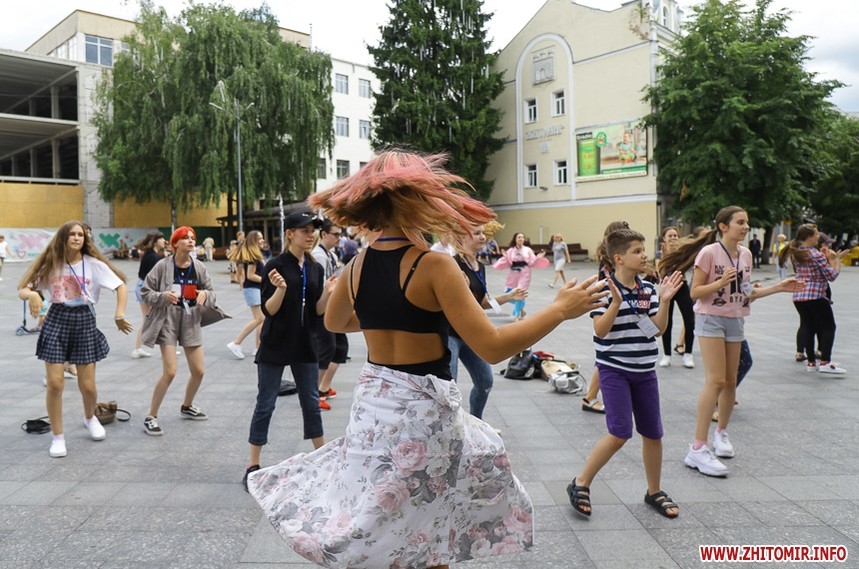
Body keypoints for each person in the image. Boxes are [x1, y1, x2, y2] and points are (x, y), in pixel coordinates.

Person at [245, 150, 608, 569]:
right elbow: (492, 347)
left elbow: (335, 320)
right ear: (415, 201)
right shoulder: (433, 265)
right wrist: (559, 310)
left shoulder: (358, 263)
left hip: (374, 412)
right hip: (422, 418)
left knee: (390, 525)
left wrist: (389, 317)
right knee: (431, 530)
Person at [660, 206, 803, 477]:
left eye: (747, 222)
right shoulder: (709, 252)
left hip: (736, 318)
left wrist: (778, 288)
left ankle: (721, 434)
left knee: (729, 379)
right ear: (723, 226)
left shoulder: (745, 254)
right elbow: (695, 292)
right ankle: (698, 447)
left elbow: (745, 292)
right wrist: (720, 283)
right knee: (715, 381)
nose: (746, 227)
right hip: (710, 319)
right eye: (740, 222)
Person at [566, 227, 683, 519]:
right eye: (637, 251)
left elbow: (657, 330)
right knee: (619, 433)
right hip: (614, 370)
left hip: (645, 371)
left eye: (644, 250)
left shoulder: (648, 289)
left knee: (653, 433)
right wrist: (616, 304)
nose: (644, 256)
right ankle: (581, 482)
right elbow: (600, 330)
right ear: (619, 258)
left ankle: (654, 491)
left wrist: (665, 301)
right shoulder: (603, 289)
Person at [18, 221, 133, 457]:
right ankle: (58, 437)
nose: (77, 238)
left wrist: (119, 314)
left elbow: (120, 286)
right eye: (72, 234)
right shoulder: (52, 263)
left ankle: (90, 418)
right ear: (63, 237)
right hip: (56, 320)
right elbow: (23, 288)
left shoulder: (94, 265)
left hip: (84, 320)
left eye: (80, 234)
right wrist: (33, 295)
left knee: (88, 386)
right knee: (55, 384)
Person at [243, 212, 336, 487]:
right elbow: (269, 311)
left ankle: (322, 458)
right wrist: (281, 289)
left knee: (311, 403)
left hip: (305, 342)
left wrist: (328, 292)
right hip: (276, 342)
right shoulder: (275, 265)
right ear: (289, 234)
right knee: (265, 403)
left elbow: (317, 310)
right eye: (304, 230)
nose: (310, 235)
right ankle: (252, 464)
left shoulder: (315, 267)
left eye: (313, 231)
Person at [140, 226, 218, 436]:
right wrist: (163, 296)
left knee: (199, 371)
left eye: (193, 238)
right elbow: (145, 292)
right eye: (185, 238)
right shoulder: (162, 265)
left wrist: (205, 294)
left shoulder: (199, 266)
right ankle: (151, 416)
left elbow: (211, 293)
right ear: (175, 243)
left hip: (191, 317)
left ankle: (187, 405)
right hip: (168, 318)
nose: (191, 241)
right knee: (170, 372)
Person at [450, 224, 527, 420]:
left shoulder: (480, 267)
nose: (482, 237)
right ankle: (451, 428)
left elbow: (482, 302)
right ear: (462, 237)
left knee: (485, 382)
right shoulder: (452, 265)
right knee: (450, 387)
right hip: (450, 333)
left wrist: (509, 297)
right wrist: (461, 289)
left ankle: (477, 424)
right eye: (477, 233)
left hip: (471, 333)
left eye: (483, 233)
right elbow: (451, 301)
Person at [779, 223, 848, 375]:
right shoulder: (815, 255)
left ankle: (811, 362)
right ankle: (825, 362)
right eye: (816, 234)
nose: (818, 236)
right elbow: (832, 275)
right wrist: (836, 260)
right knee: (829, 327)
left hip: (799, 295)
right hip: (816, 295)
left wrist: (825, 257)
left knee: (808, 327)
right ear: (809, 237)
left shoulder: (796, 253)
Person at [581, 220, 630, 415]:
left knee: (605, 356)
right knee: (605, 356)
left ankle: (590, 396)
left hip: (611, 306)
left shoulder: (608, 257)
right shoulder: (610, 261)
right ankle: (589, 397)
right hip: (608, 307)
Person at [311, 219, 349, 411]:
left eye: (340, 235)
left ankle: (323, 387)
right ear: (324, 234)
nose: (339, 238)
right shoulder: (318, 256)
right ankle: (314, 393)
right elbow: (320, 287)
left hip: (331, 306)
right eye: (335, 234)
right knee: (327, 349)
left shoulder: (330, 254)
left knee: (340, 348)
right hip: (323, 308)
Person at [656, 226, 696, 369]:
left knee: (689, 320)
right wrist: (666, 255)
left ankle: (688, 354)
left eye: (675, 235)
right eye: (670, 236)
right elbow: (660, 272)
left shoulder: (682, 252)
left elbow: (688, 268)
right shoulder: (660, 253)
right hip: (667, 288)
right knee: (666, 322)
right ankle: (666, 355)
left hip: (681, 286)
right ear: (664, 238)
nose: (673, 238)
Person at [226, 230, 267, 360]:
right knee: (259, 318)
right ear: (253, 241)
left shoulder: (255, 254)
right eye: (259, 238)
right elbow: (250, 275)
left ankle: (258, 347)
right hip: (252, 289)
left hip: (255, 289)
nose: (262, 240)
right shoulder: (253, 256)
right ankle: (236, 342)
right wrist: (267, 280)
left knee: (261, 319)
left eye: (262, 238)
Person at [494, 231, 546, 320]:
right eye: (519, 237)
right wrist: (506, 257)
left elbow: (532, 262)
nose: (521, 239)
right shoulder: (511, 250)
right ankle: (521, 310)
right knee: (508, 293)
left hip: (525, 273)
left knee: (520, 292)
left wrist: (538, 257)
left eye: (522, 237)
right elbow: (509, 262)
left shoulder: (528, 250)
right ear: (515, 239)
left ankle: (517, 315)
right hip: (513, 273)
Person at [131, 231, 166, 359]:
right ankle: (138, 349)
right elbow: (154, 278)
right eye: (161, 239)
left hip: (143, 287)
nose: (164, 241)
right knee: (150, 319)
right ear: (155, 241)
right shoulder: (153, 257)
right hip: (146, 289)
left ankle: (139, 348)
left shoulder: (151, 255)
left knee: (150, 319)